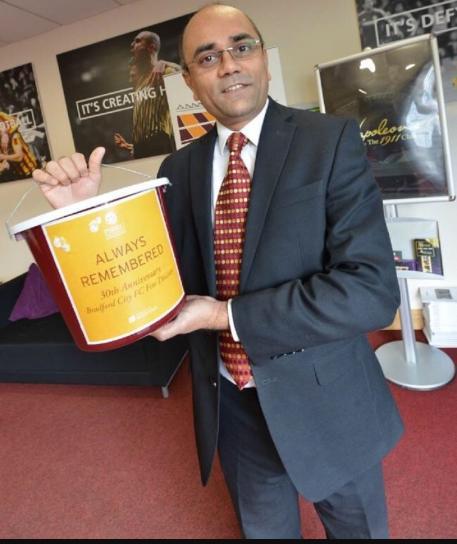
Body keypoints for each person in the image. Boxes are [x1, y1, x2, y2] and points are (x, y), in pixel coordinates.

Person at [33, 4, 404, 539]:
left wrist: (225, 315)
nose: (227, 64)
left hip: (326, 401)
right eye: (208, 57)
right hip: (231, 403)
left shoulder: (330, 142)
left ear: (264, 60)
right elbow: (156, 285)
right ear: (189, 79)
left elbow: (368, 292)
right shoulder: (177, 170)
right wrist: (85, 213)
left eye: (241, 47)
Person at [114, 30, 181, 158]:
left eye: (138, 41)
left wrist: (166, 63)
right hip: (141, 146)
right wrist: (131, 146)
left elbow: (188, 78)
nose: (132, 44)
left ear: (152, 47)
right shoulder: (140, 82)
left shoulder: (163, 71)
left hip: (160, 140)